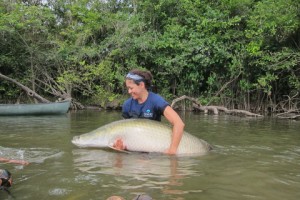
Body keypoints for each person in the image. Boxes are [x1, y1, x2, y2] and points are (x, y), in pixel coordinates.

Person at [118, 69, 185, 155]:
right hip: (133, 150)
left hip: (153, 151)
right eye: (128, 88)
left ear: (141, 85)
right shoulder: (127, 105)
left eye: (131, 88)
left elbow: (179, 123)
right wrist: (120, 147)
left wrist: (172, 150)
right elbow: (123, 131)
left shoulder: (156, 101)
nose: (129, 91)